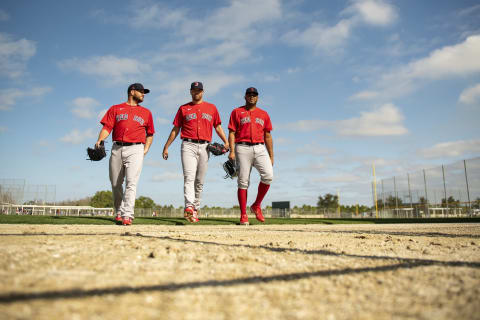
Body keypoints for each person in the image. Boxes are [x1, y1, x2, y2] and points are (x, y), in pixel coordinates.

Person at [162, 82, 229, 223]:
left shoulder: (211, 108)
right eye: (194, 90)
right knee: (189, 177)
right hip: (188, 145)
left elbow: (217, 127)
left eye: (199, 90)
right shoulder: (183, 108)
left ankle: (195, 209)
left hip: (205, 146)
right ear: (190, 92)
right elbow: (175, 129)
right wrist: (166, 146)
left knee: (199, 181)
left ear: (203, 92)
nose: (196, 92)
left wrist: (226, 141)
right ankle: (189, 206)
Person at [95, 83, 155, 226]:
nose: (143, 94)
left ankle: (128, 214)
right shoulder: (116, 109)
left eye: (144, 92)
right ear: (132, 91)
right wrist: (100, 140)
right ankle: (119, 211)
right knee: (115, 183)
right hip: (117, 147)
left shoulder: (146, 112)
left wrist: (145, 149)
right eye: (141, 91)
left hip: (136, 149)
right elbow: (107, 127)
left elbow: (150, 134)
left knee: (131, 182)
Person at [228, 87, 274, 225]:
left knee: (268, 176)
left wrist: (271, 155)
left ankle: (256, 205)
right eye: (249, 94)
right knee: (243, 181)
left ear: (257, 97)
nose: (252, 96)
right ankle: (243, 215)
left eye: (254, 94)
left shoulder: (264, 114)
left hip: (260, 148)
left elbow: (267, 136)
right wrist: (232, 150)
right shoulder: (237, 112)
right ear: (245, 97)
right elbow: (231, 132)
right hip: (242, 147)